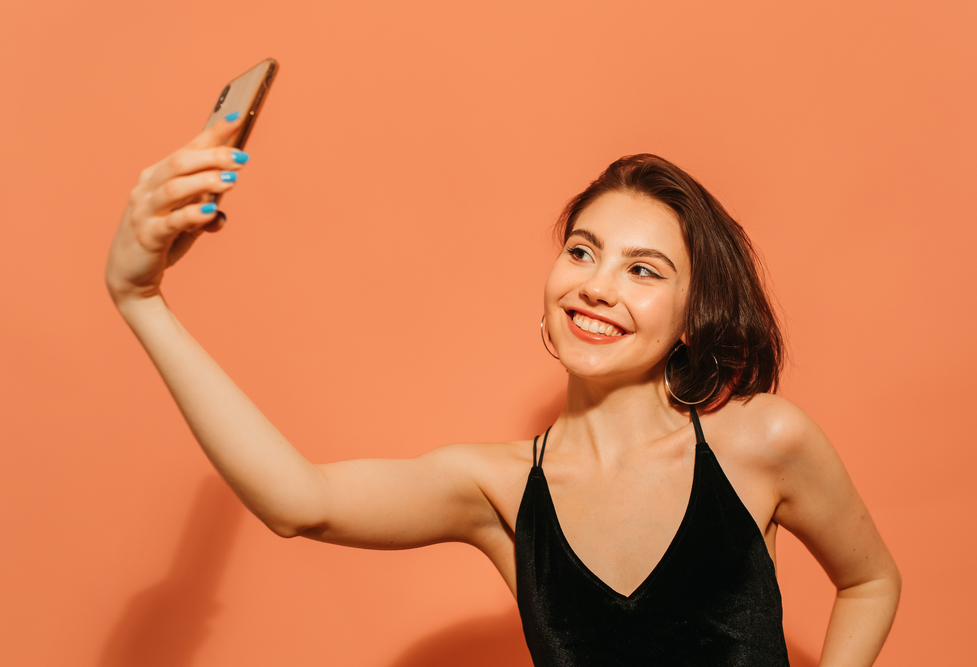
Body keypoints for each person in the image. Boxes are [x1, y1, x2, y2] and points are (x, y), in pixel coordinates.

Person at [105, 116, 900, 666]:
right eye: (583, 252)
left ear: (694, 318)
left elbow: (871, 579)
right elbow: (298, 500)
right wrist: (141, 299)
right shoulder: (497, 490)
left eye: (642, 269)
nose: (596, 286)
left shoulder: (763, 442)